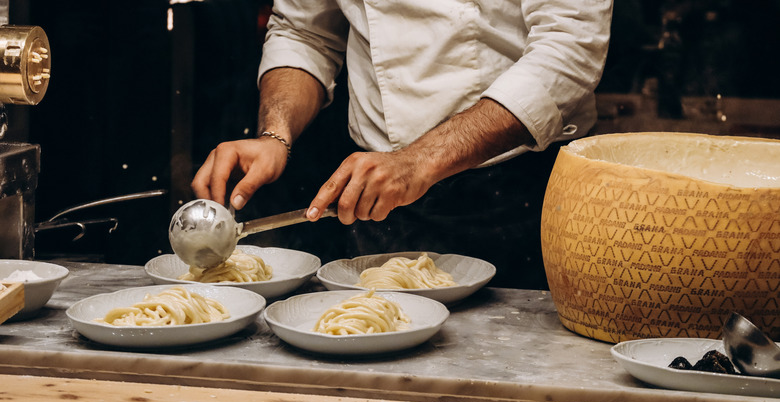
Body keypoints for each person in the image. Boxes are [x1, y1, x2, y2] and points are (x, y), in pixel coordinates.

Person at [192, 1, 613, 289]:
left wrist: (418, 161)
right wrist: (275, 134)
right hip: (376, 196)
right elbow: (305, 32)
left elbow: (569, 50)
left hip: (519, 188)